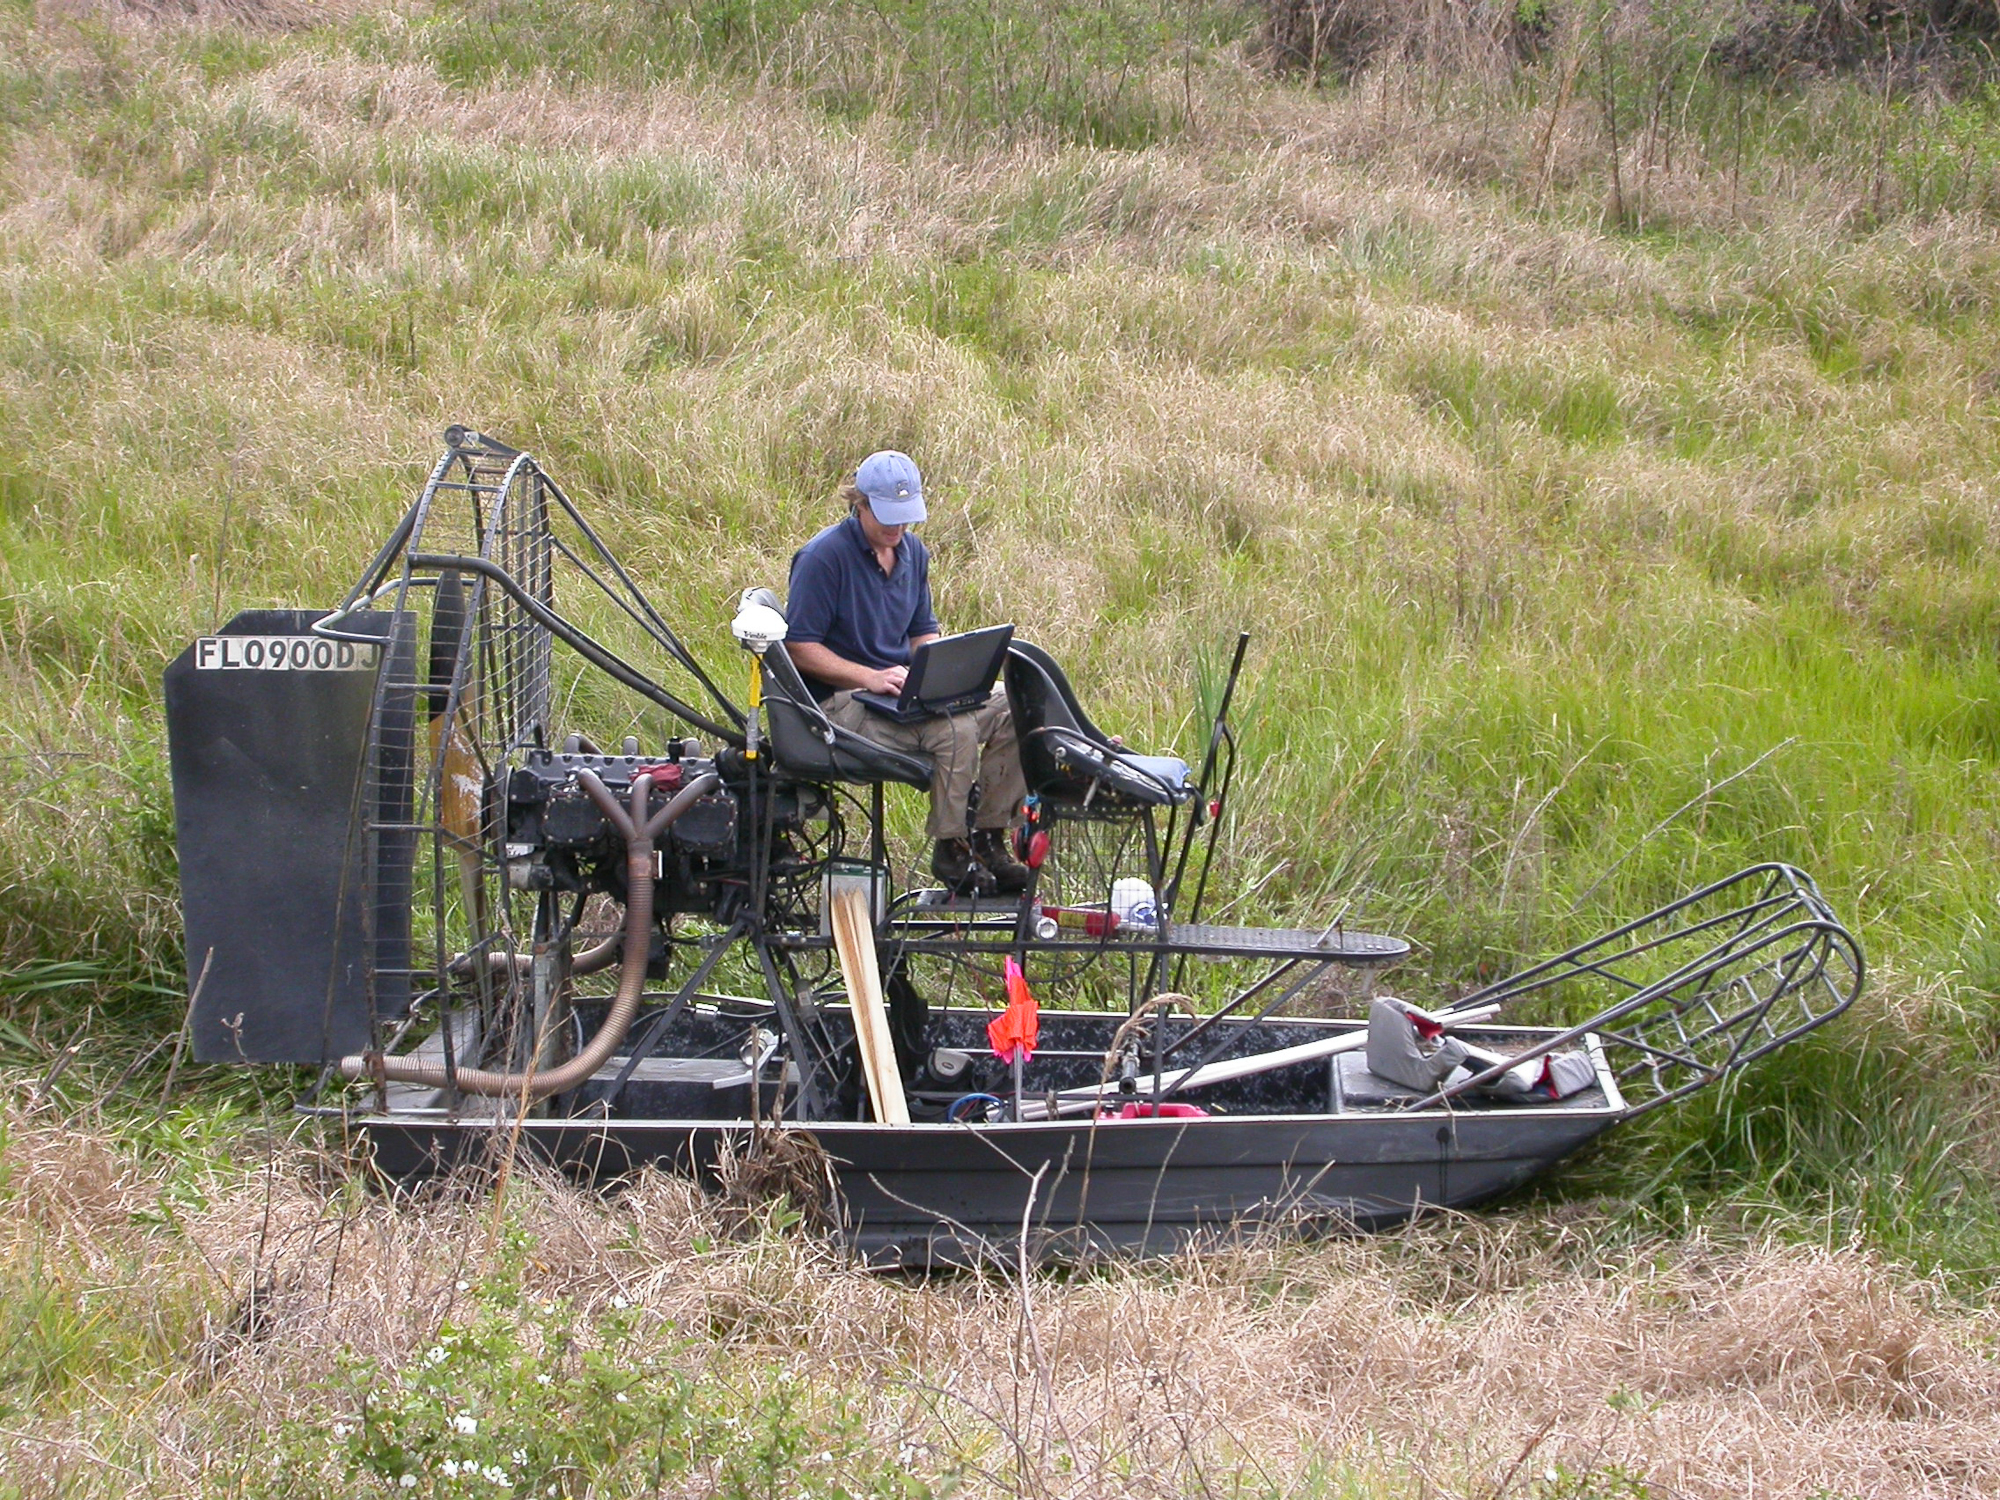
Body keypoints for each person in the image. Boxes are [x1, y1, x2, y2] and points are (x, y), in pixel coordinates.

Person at [784, 451, 1029, 896]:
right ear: (859, 505)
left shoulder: (913, 552)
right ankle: (951, 847)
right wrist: (868, 677)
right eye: (887, 518)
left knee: (1015, 703)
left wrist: (944, 672)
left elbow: (921, 632)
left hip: (899, 690)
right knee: (952, 727)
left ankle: (989, 837)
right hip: (839, 704)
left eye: (905, 518)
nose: (897, 529)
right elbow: (799, 647)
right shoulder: (822, 558)